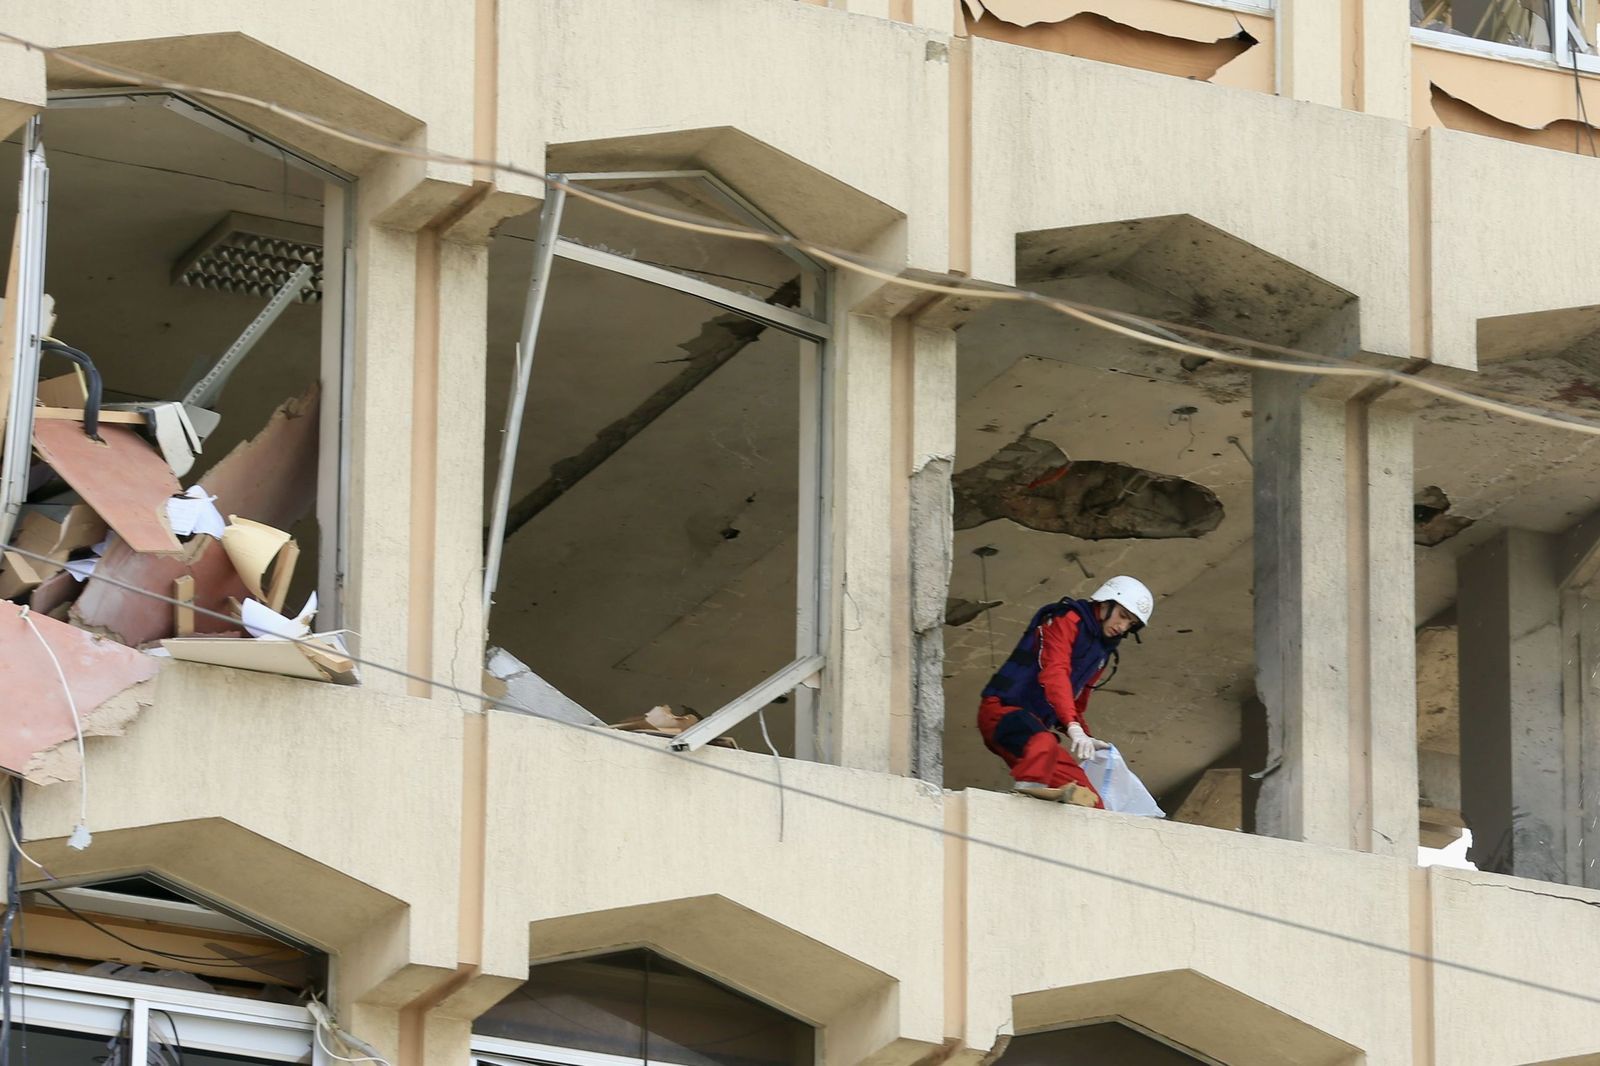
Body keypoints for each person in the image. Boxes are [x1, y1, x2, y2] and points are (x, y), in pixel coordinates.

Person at [976, 576, 1154, 806]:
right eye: (1122, 616)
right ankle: (1027, 797)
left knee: (1091, 800)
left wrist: (1085, 736)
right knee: (1044, 744)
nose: (1123, 626)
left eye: (1130, 624)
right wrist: (1073, 726)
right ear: (1106, 603)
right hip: (1001, 712)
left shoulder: (1101, 652)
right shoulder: (1066, 619)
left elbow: (1075, 703)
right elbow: (1054, 672)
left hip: (1034, 728)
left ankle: (1046, 799)